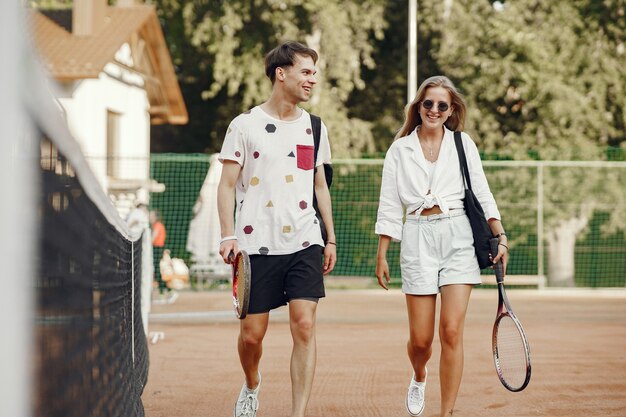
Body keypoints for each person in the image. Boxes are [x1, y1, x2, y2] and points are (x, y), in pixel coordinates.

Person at [374, 75, 508, 417]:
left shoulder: (464, 145)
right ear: (418, 107)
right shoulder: (399, 149)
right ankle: (419, 374)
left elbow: (481, 192)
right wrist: (383, 253)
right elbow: (390, 203)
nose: (434, 110)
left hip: (458, 236)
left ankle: (445, 413)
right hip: (417, 236)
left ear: (451, 110)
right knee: (421, 342)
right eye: (428, 103)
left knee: (450, 330)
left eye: (442, 105)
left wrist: (500, 235)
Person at [217, 41, 336, 417]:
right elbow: (225, 185)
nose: (312, 79)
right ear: (280, 73)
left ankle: (298, 413)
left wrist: (329, 237)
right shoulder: (244, 125)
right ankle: (252, 383)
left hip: (304, 240)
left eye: (314, 73)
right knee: (252, 337)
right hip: (254, 246)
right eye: (306, 71)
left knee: (304, 324)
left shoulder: (315, 128)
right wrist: (227, 235)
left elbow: (320, 187)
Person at [149, 209, 167, 294]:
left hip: (157, 248)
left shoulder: (157, 225)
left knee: (156, 270)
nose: (149, 217)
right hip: (157, 248)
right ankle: (164, 289)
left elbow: (153, 238)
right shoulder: (156, 225)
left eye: (151, 216)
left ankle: (164, 289)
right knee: (156, 270)